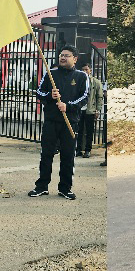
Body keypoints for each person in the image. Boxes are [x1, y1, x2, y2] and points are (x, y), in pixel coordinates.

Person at [32, 47, 90, 200]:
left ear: (75, 59)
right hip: (51, 121)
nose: (63, 58)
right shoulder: (50, 74)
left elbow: (84, 97)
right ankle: (42, 186)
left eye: (67, 56)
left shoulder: (81, 76)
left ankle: (65, 188)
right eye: (61, 55)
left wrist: (68, 106)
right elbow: (39, 92)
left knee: (68, 156)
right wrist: (50, 96)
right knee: (46, 155)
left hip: (70, 122)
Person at [78, 64, 104, 158]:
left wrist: (98, 109)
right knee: (79, 130)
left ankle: (88, 150)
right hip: (80, 109)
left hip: (90, 109)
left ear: (90, 70)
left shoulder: (95, 82)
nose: (84, 71)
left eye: (86, 69)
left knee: (89, 131)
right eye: (83, 69)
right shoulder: (79, 80)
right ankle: (78, 149)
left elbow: (99, 96)